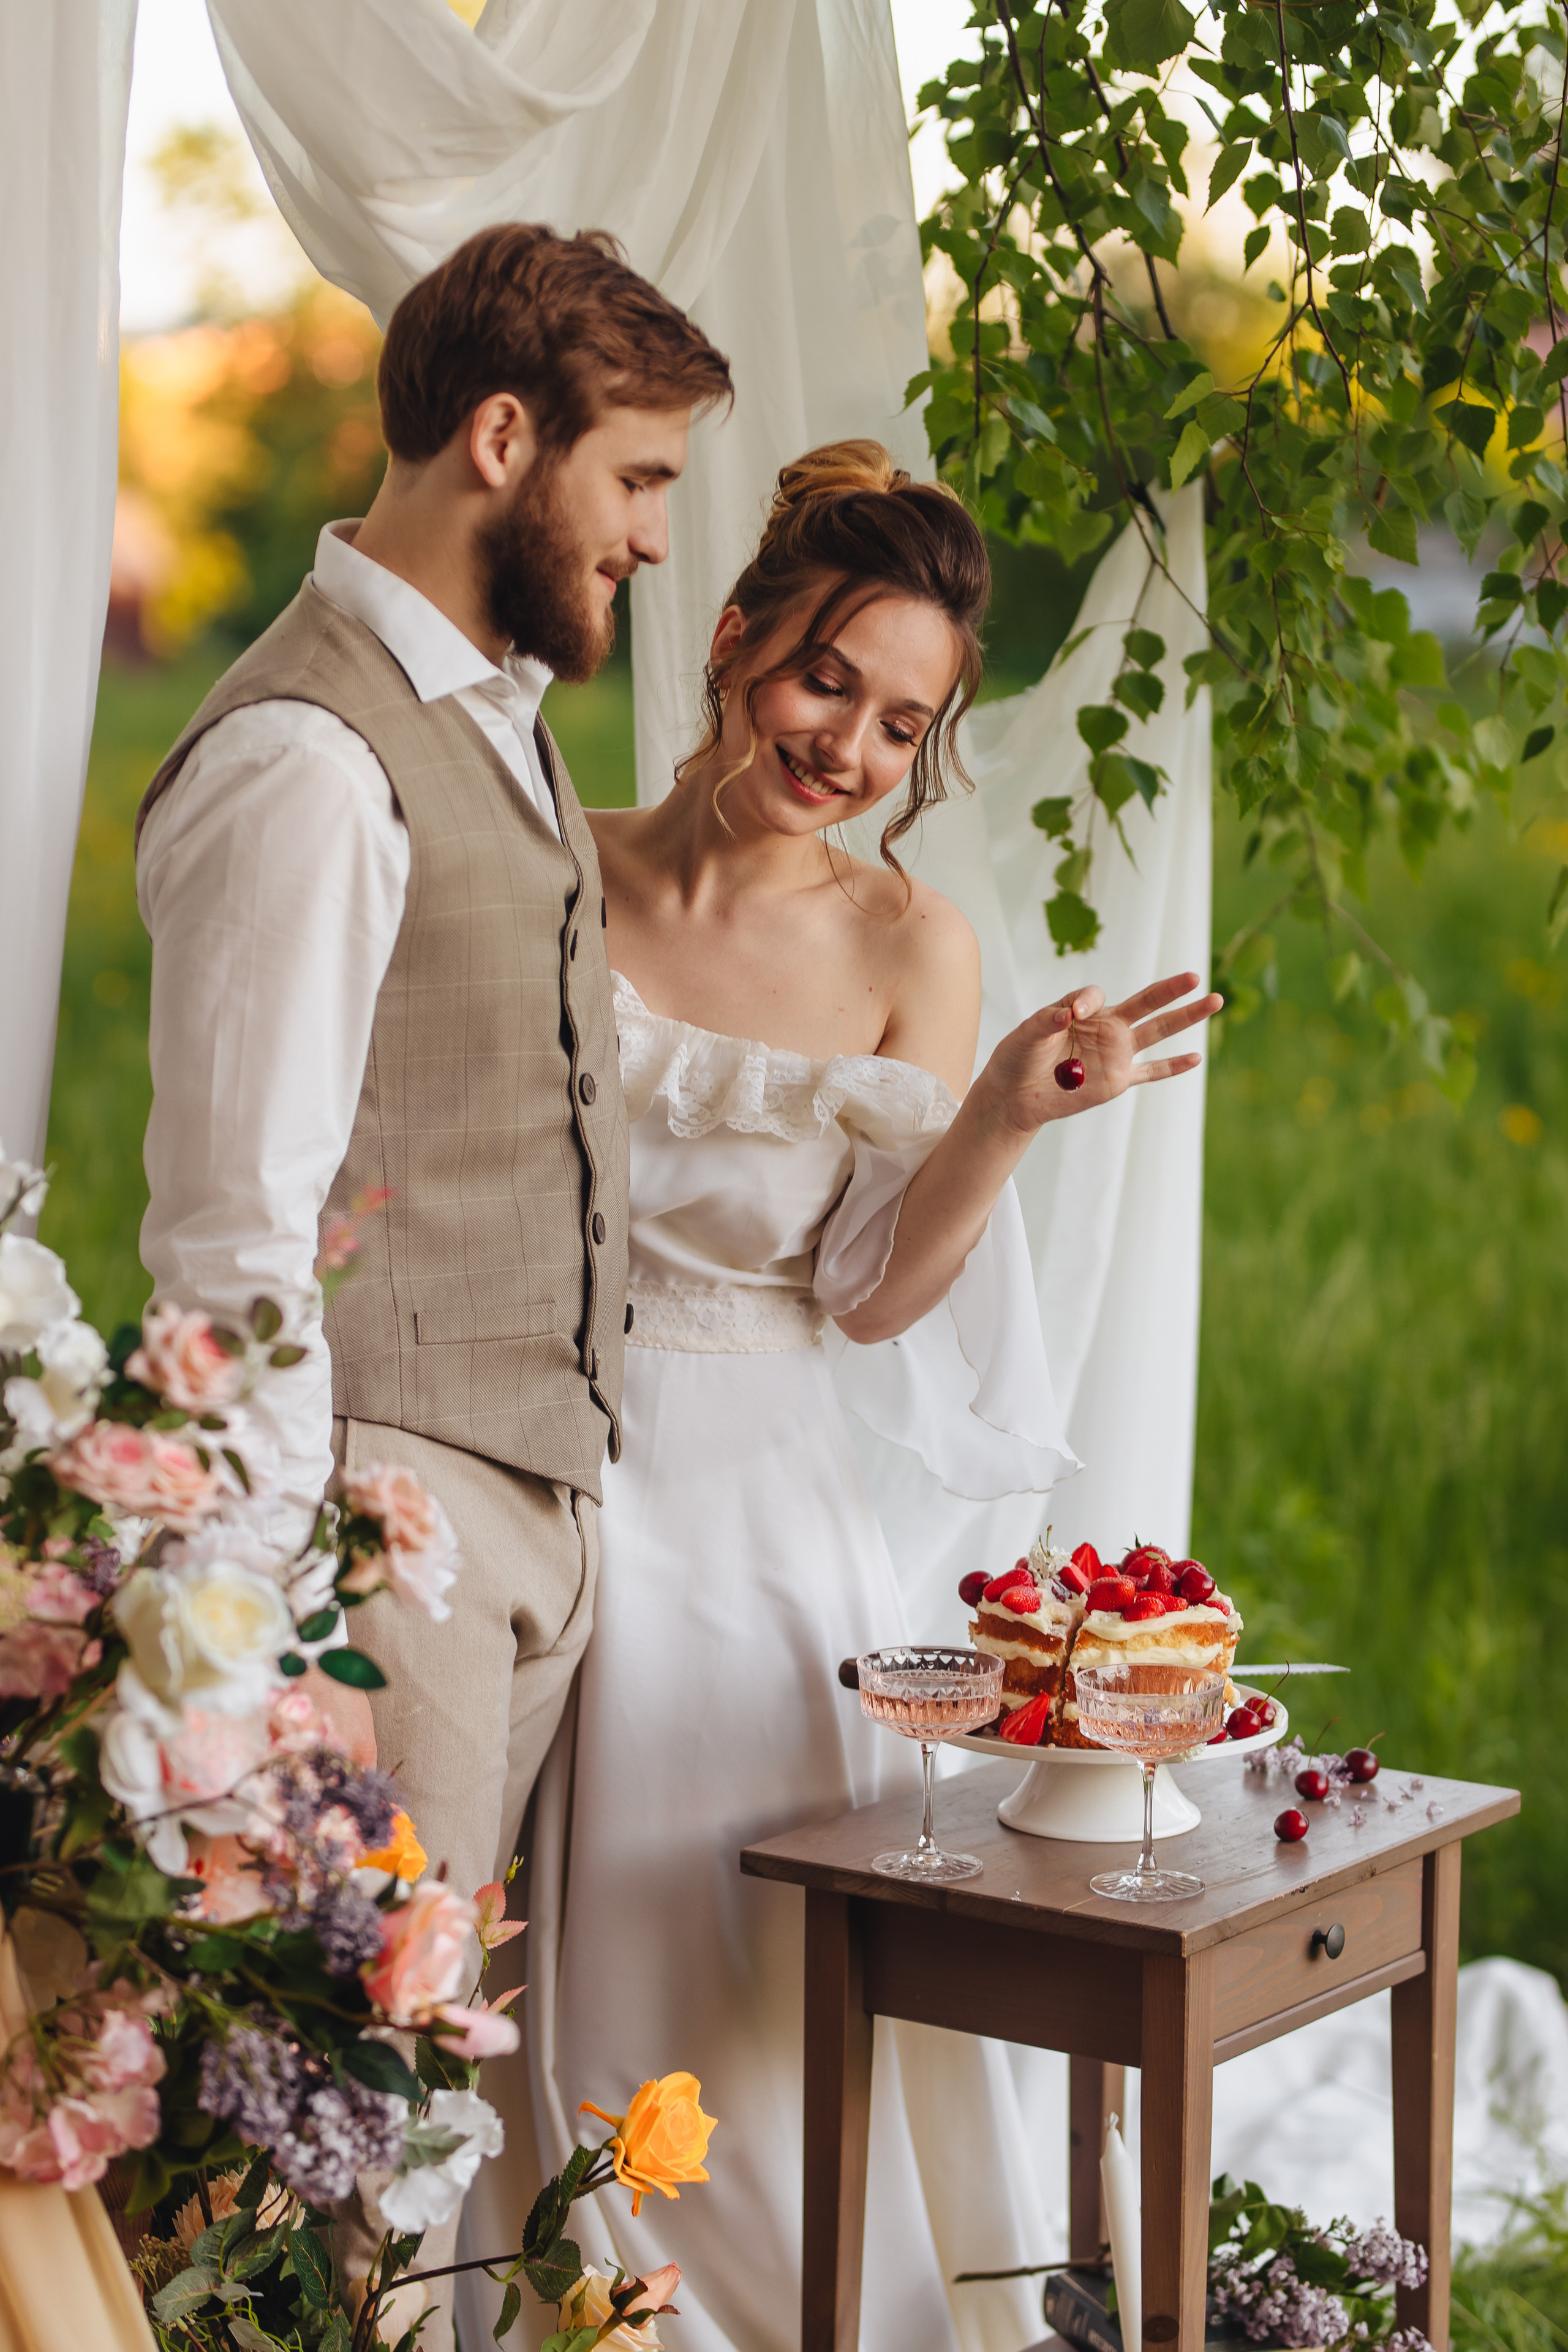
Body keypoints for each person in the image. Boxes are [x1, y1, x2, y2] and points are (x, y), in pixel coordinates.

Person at [514, 443, 1221, 2352]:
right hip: (533, 1468)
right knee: (520, 1957)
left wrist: (996, 1119)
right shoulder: (552, 863)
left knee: (732, 1963)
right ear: (737, 639)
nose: (850, 745)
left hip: (754, 1519)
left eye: (903, 723)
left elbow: (862, 1294)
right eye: (828, 681)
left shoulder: (913, 948)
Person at [133, 224, 732, 2346]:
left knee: (428, 2119)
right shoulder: (309, 757)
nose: (658, 537)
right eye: (639, 479)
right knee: (338, 2132)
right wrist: (275, 1612)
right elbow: (231, 1240)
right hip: (388, 1520)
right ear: (506, 438)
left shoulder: (489, 718)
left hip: (522, 1505)